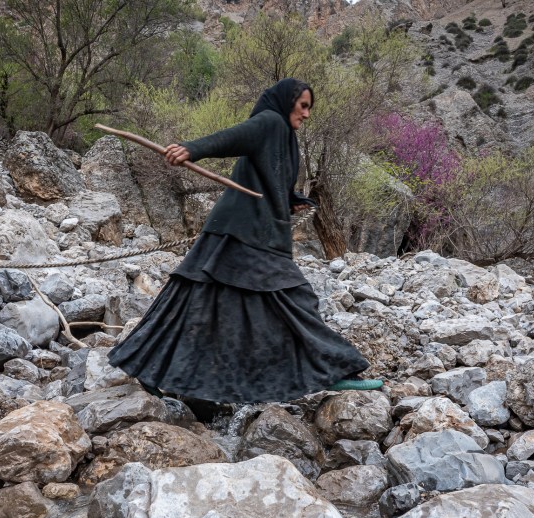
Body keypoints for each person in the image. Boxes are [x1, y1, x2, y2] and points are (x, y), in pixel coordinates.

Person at [107, 78, 383, 404]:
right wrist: (192, 149)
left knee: (195, 303)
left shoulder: (285, 137)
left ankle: (151, 369)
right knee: (295, 299)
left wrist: (291, 198)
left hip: (244, 233)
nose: (307, 114)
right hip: (244, 235)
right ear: (287, 101)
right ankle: (332, 372)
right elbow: (234, 136)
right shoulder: (270, 122)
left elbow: (270, 180)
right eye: (303, 106)